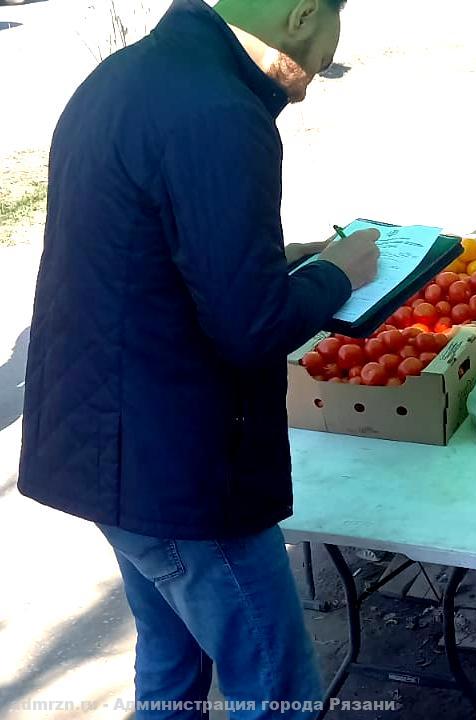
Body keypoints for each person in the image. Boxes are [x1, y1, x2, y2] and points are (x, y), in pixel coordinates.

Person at [18, 0, 379, 717]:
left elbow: (142, 258)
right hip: (178, 475)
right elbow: (250, 328)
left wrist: (271, 262)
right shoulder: (220, 111)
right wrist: (339, 272)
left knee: (171, 662)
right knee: (275, 689)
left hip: (110, 455)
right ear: (304, 15)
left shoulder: (126, 76)